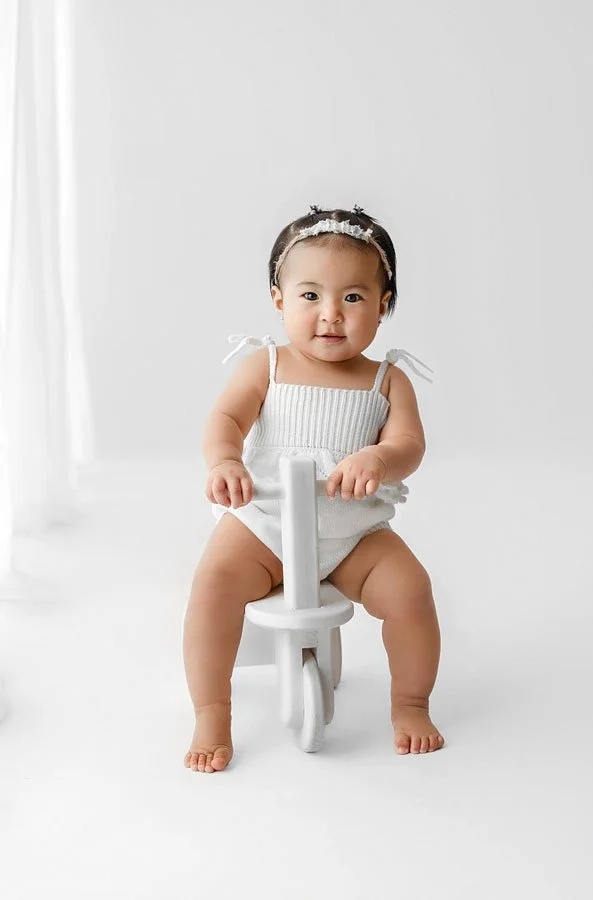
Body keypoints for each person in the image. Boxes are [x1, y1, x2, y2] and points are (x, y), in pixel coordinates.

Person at [183, 204, 445, 773]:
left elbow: (410, 446)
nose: (331, 315)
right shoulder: (266, 365)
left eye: (353, 297)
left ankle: (411, 703)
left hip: (352, 532)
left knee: (411, 590)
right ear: (278, 299)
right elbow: (225, 419)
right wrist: (225, 461)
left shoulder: (387, 379)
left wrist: (380, 455)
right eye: (310, 297)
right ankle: (211, 710)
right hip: (266, 524)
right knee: (213, 586)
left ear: (384, 304)